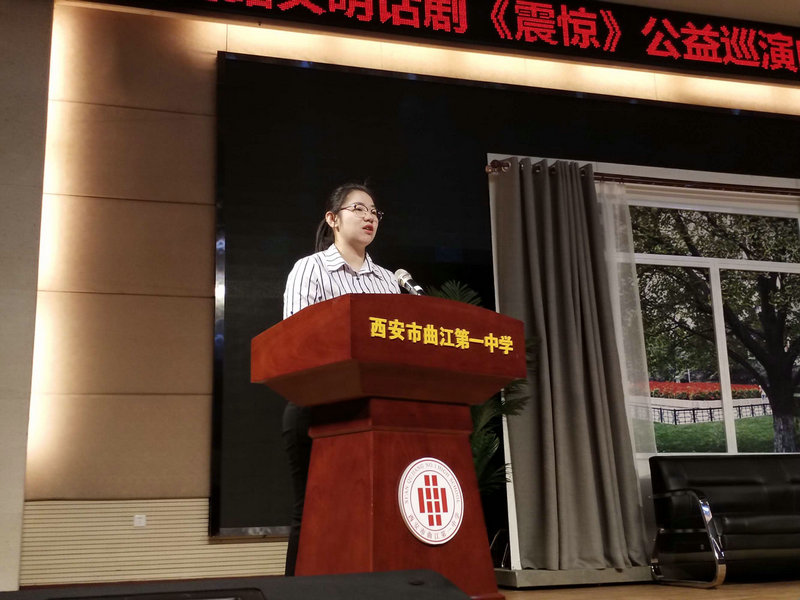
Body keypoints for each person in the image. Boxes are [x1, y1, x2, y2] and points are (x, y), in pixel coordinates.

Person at [281, 182, 400, 576]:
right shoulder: (310, 269)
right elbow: (297, 341)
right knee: (315, 510)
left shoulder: (388, 281)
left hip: (373, 411)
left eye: (374, 212)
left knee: (369, 512)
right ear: (332, 219)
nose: (369, 217)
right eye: (358, 209)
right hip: (319, 407)